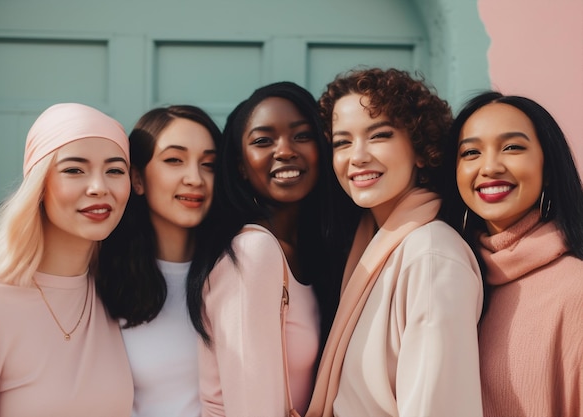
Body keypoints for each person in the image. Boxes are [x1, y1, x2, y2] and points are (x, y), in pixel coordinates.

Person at [306, 68, 484, 417]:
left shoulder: (430, 255)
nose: (357, 156)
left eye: (379, 135)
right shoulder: (372, 247)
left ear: (421, 149)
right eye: (342, 142)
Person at [187, 81, 352, 417]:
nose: (285, 150)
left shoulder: (310, 253)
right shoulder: (252, 253)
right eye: (263, 140)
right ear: (239, 166)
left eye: (302, 135)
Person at [0, 103, 133, 416]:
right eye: (74, 170)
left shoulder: (117, 293)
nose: (99, 187)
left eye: (115, 170)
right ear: (40, 186)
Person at [439, 91, 583, 417]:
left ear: (547, 167)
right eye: (471, 152)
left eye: (512, 147)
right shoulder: (449, 278)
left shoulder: (575, 290)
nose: (490, 166)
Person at [97, 105, 221, 417]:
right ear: (137, 179)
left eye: (208, 164)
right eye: (174, 160)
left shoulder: (232, 275)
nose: (195, 178)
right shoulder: (102, 280)